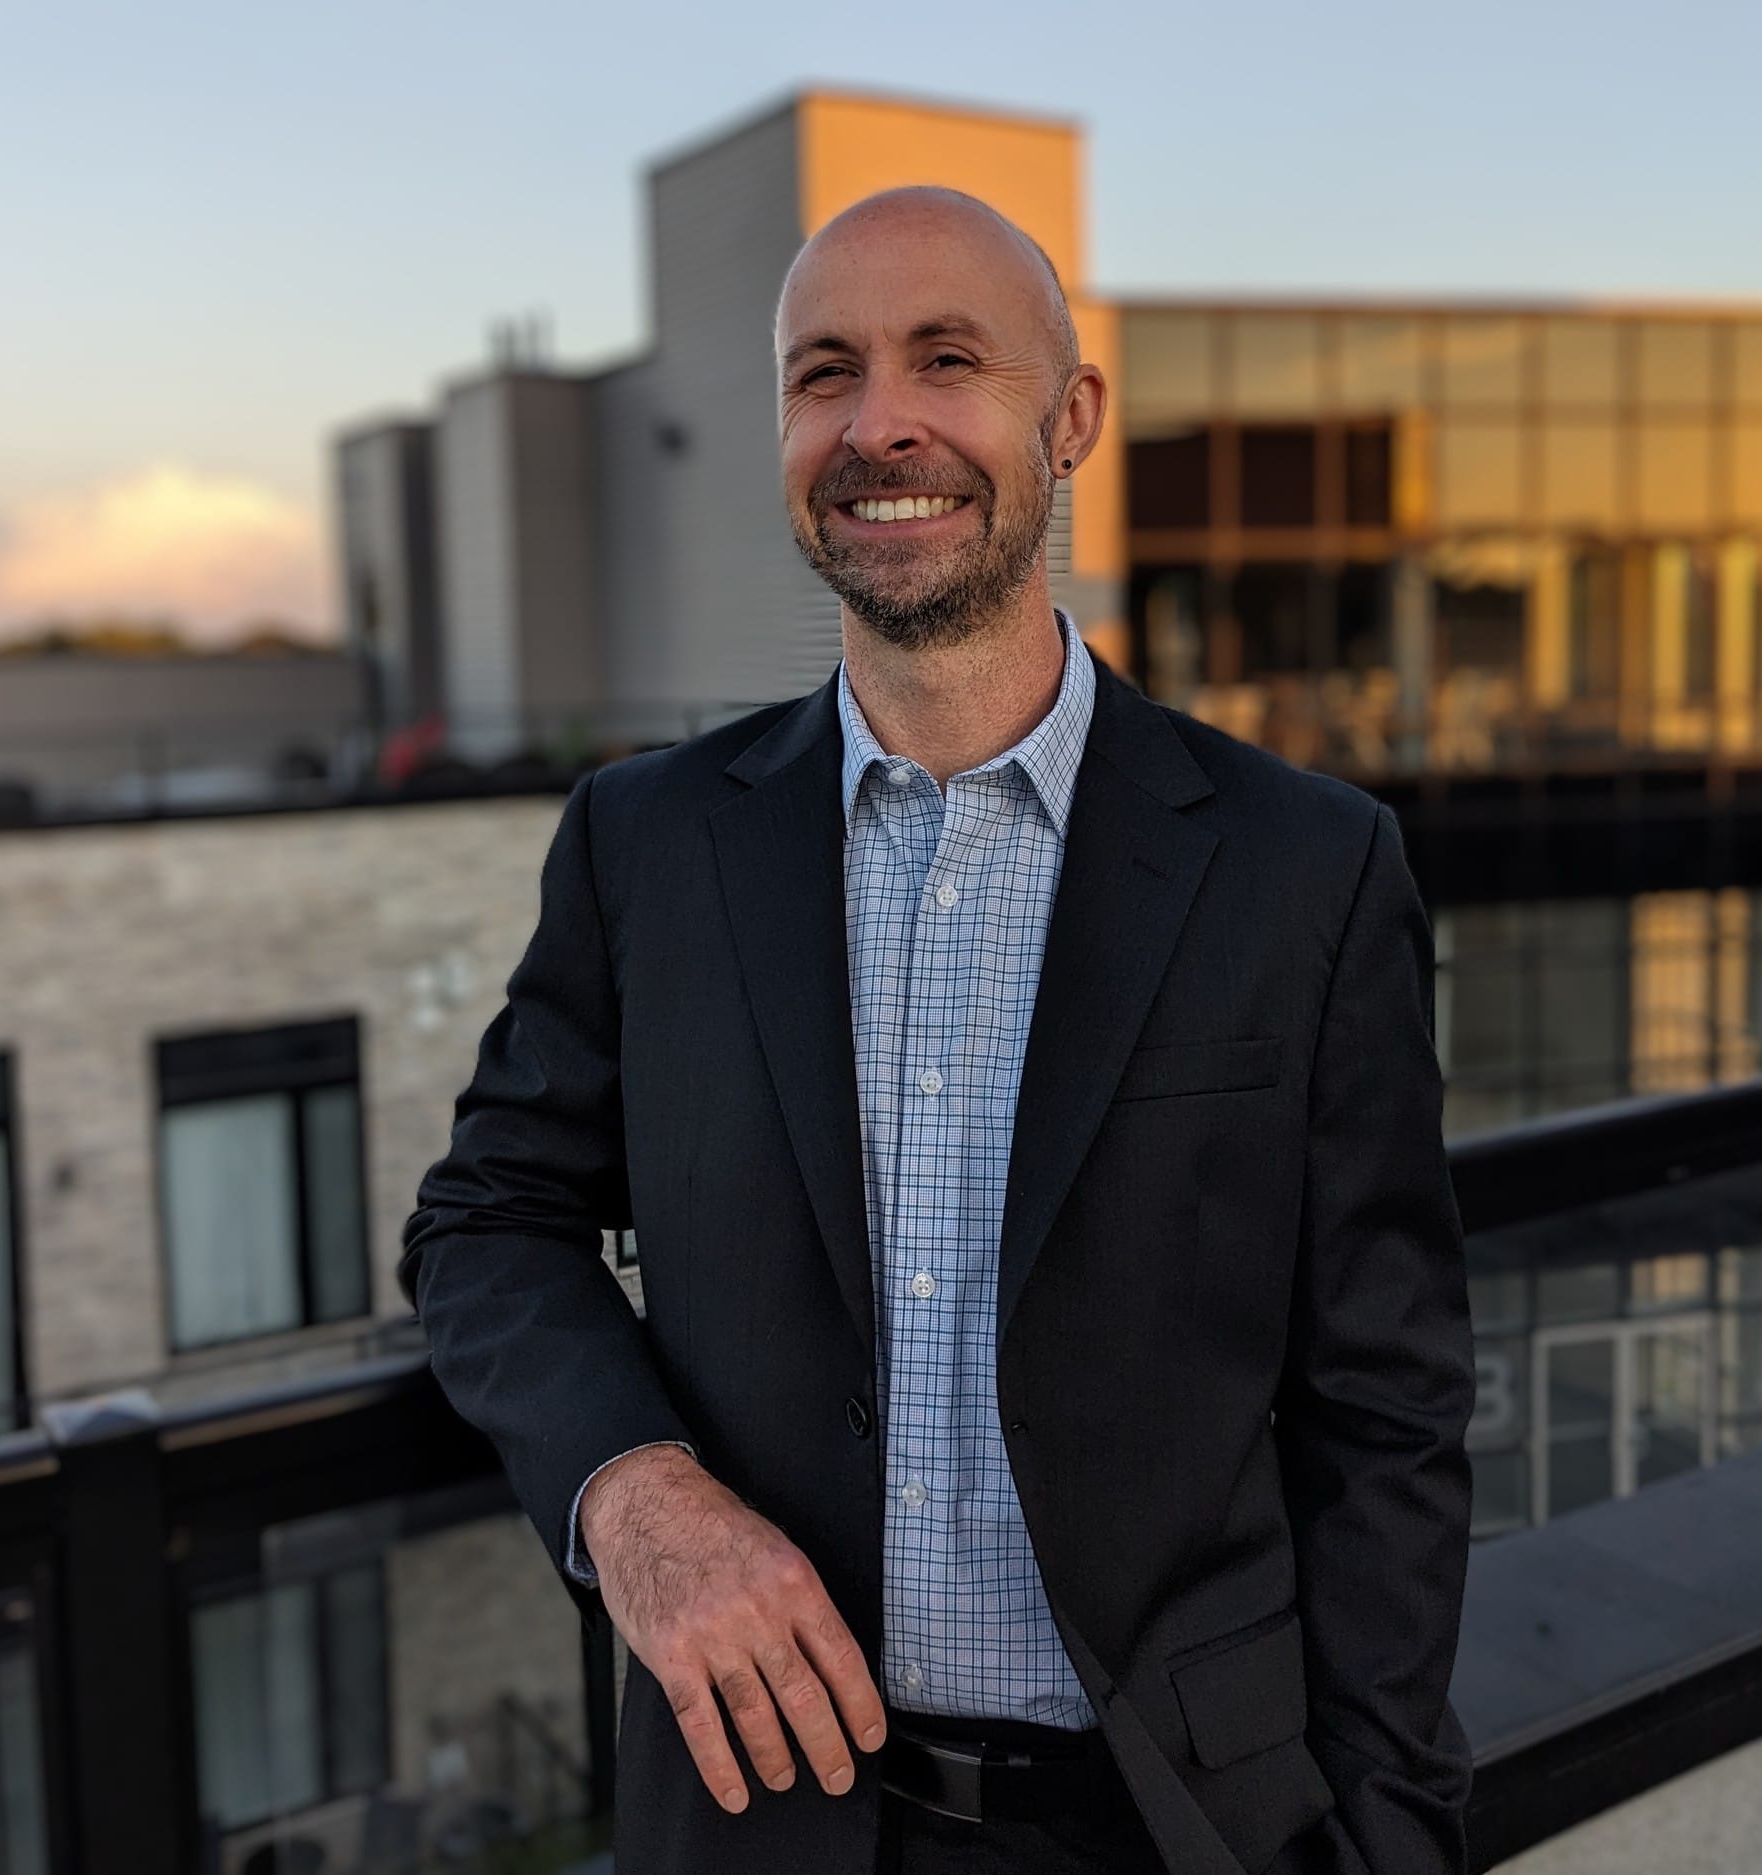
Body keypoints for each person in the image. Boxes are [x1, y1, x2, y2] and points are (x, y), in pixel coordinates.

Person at [399, 185, 1476, 1875]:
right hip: (759, 1822)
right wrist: (637, 1496)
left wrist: (1398, 1836)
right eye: (823, 373)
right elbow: (486, 1220)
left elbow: (1387, 1408)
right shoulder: (648, 842)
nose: (877, 421)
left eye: (947, 358)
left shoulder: (1307, 867)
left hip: (1179, 1825)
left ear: (1072, 418)